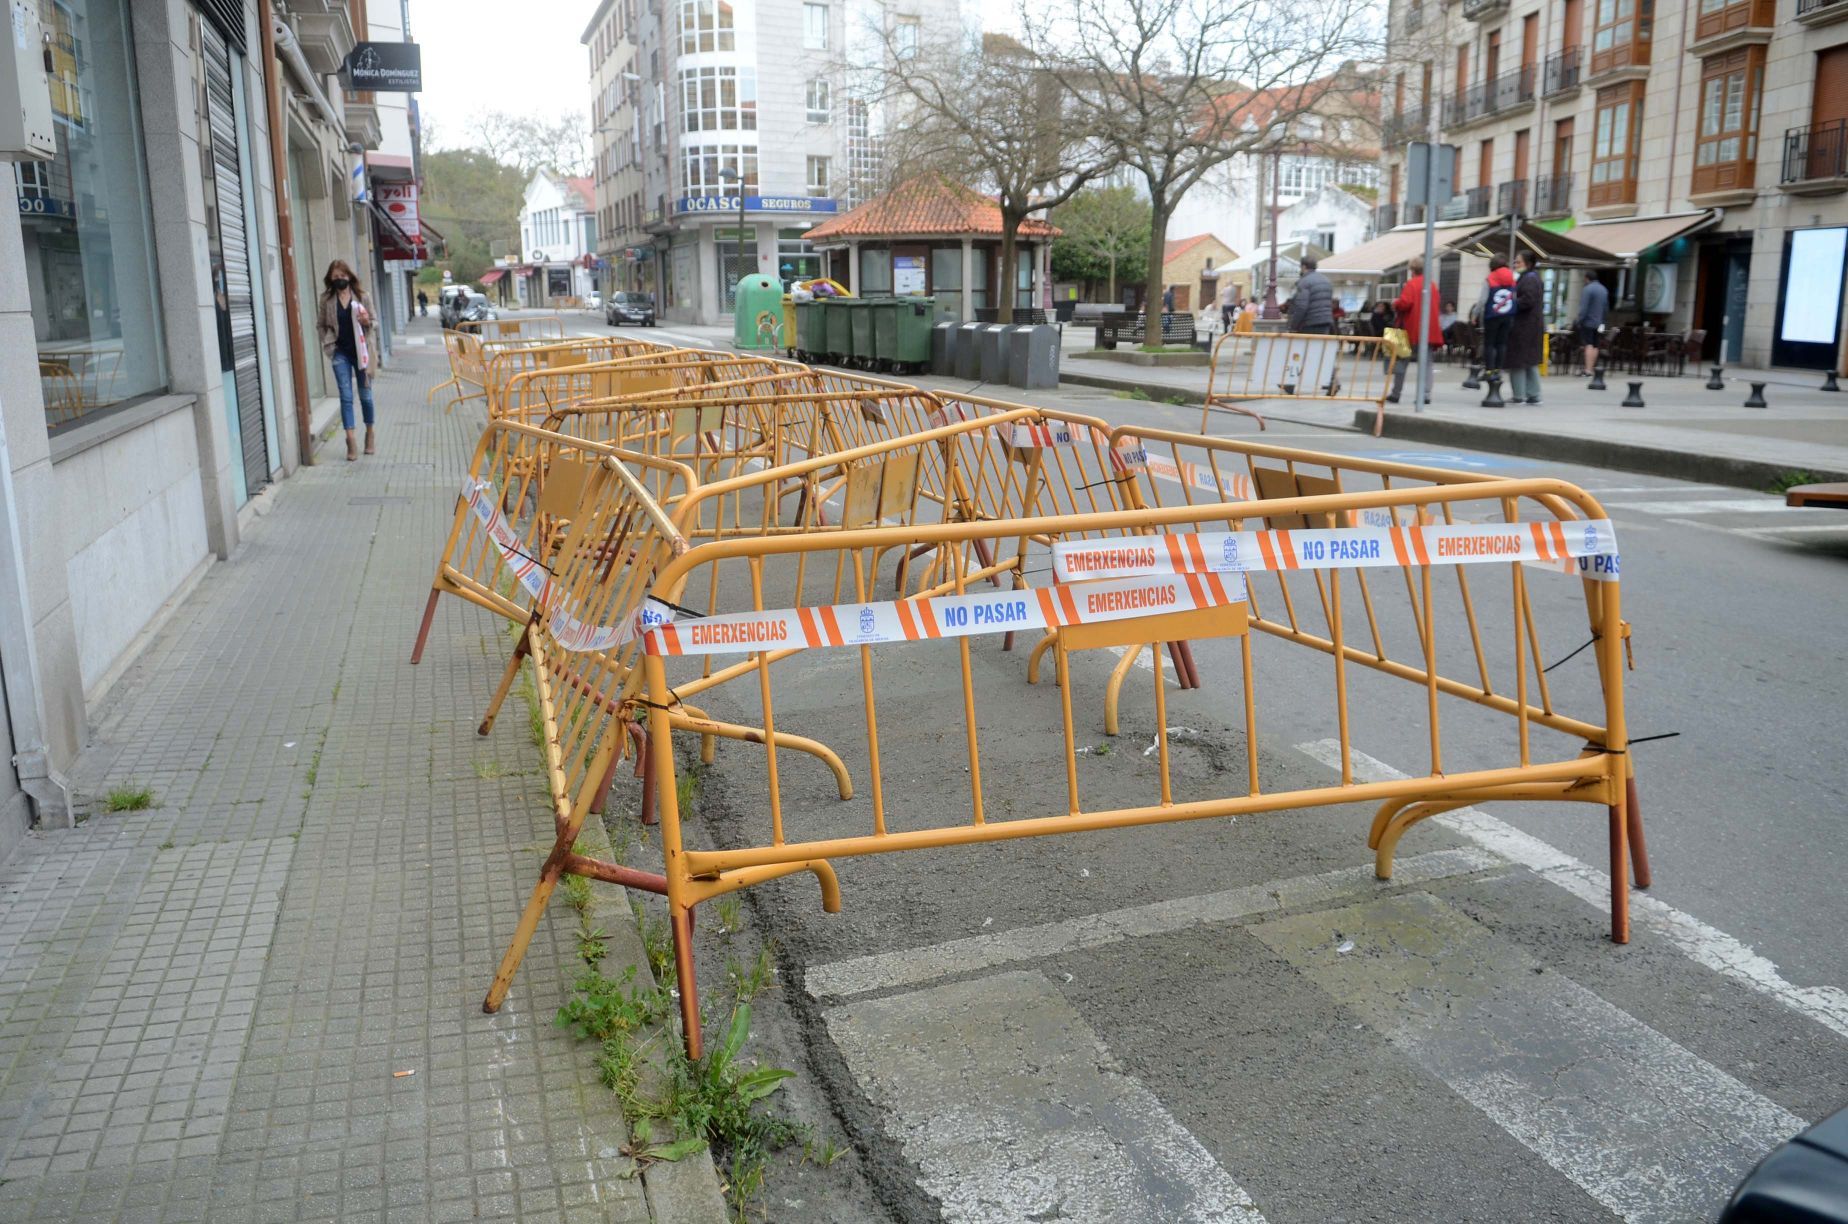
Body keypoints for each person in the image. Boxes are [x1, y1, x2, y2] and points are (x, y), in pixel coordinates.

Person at [316, 260, 379, 461]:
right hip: (340, 352)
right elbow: (321, 325)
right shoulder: (326, 299)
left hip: (362, 352)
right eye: (335, 278)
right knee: (345, 395)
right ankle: (350, 439)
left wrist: (367, 321)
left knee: (366, 396)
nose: (339, 280)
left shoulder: (362, 296)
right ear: (330, 279)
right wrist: (328, 345)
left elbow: (375, 322)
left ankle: (370, 433)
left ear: (349, 277)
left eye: (342, 277)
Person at [1387, 254, 1443, 404]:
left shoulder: (1411, 284)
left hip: (1409, 329)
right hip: (1428, 330)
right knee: (1427, 363)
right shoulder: (1431, 285)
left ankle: (1396, 393)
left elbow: (1405, 303)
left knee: (1401, 361)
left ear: (1412, 270)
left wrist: (1396, 303)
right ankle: (1425, 395)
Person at [1504, 250, 1545, 405]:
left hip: (1524, 326)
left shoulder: (1529, 279)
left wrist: (1510, 304)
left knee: (1518, 361)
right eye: (1515, 262)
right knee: (1528, 361)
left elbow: (1528, 300)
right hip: (1529, 325)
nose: (1515, 265)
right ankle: (1532, 394)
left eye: (1518, 262)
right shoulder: (1531, 278)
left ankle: (1520, 395)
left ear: (1528, 264)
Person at [1476, 255, 1517, 377]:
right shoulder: (1512, 278)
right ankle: (1498, 370)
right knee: (1502, 343)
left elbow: (1483, 300)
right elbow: (1514, 297)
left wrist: (1475, 314)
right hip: (1508, 315)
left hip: (1492, 315)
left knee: (1489, 343)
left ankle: (1489, 370)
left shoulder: (1490, 278)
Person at [1288, 256, 1334, 334]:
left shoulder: (1304, 282)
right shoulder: (1326, 280)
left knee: (1306, 345)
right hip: (1326, 321)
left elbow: (1301, 306)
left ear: (1303, 267)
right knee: (1320, 345)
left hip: (1309, 322)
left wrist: (1293, 326)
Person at [1577, 270, 1609, 376]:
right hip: (1599, 322)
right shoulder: (1604, 289)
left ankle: (1587, 370)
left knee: (1588, 344)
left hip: (1588, 322)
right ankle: (1591, 368)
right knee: (1595, 345)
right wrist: (1603, 321)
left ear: (1587, 278)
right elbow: (1605, 308)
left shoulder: (1587, 289)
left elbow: (1583, 308)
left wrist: (1579, 320)